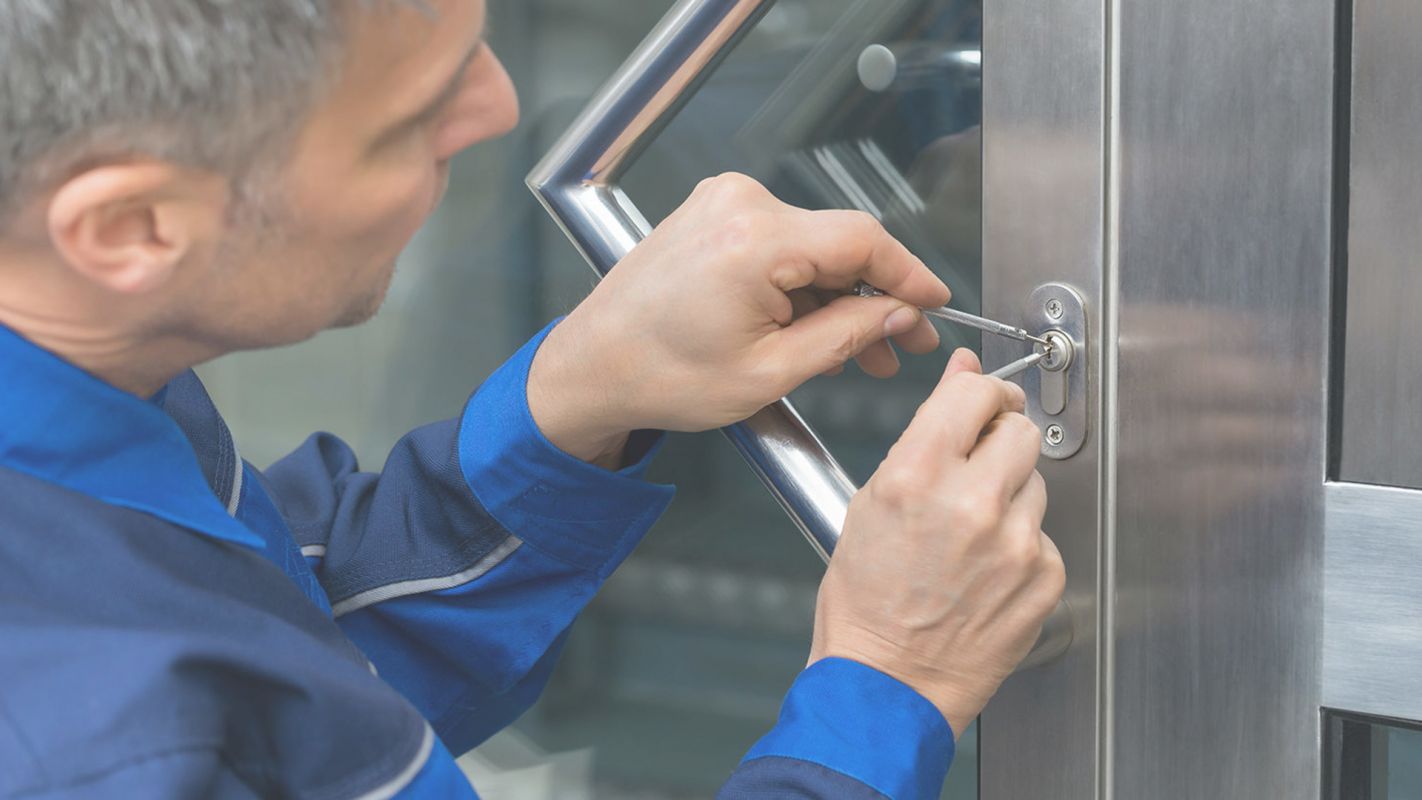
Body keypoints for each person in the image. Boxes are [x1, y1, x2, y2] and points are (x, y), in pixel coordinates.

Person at [0, 1, 1065, 798]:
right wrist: (885, 685)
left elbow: (293, 691)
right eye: (410, 115)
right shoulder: (86, 748)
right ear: (130, 228)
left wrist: (578, 396)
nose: (502, 107)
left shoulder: (80, 378)